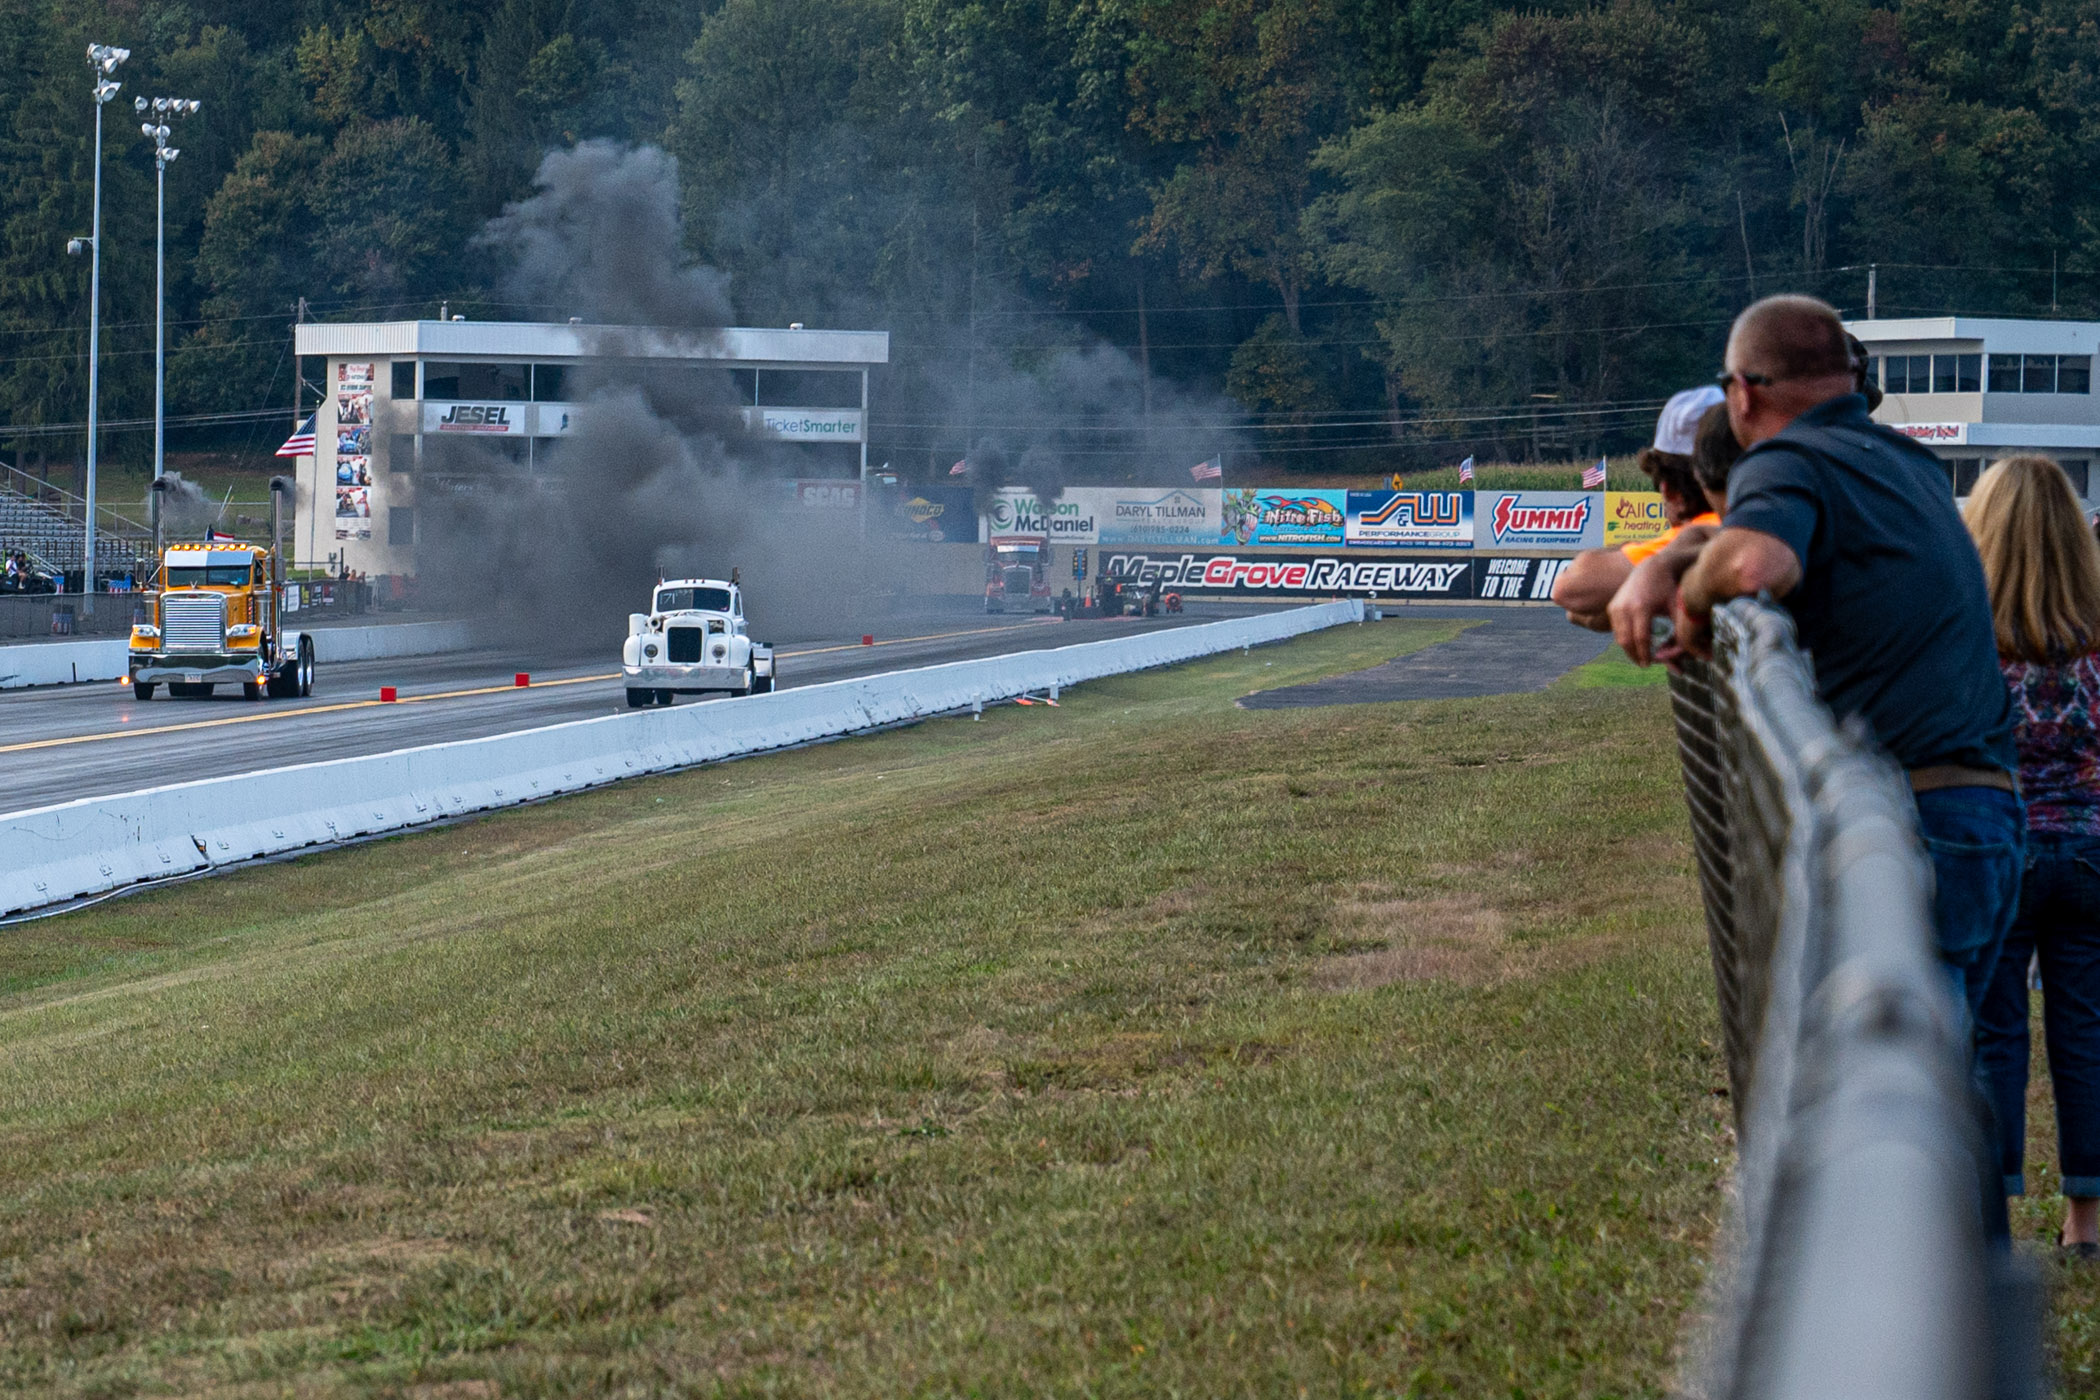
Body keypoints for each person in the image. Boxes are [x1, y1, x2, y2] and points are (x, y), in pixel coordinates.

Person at [1610, 294, 2022, 1028]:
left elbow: (1754, 564)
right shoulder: (1910, 461)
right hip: (1988, 805)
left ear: (1742, 392)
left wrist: (1695, 605)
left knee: (1893, 1096)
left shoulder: (1785, 457)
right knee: (1958, 1086)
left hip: (1908, 814)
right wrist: (1670, 560)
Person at [1965, 456, 2100, 1252]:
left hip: (1998, 849)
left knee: (1994, 1033)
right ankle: (2087, 1221)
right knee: (2085, 1032)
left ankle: (1992, 1219)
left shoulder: (1968, 634)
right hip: (2089, 849)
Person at [1553, 385, 1723, 629]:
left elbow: (1570, 589)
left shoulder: (1703, 532)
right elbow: (1586, 613)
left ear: (1668, 490)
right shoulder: (1757, 520)